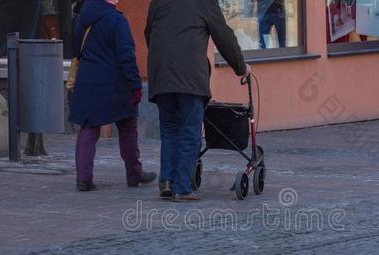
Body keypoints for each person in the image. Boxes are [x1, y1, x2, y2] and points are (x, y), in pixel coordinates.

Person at [146, 0, 250, 202]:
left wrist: (165, 59)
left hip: (162, 75)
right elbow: (224, 38)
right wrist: (241, 67)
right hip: (189, 76)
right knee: (190, 129)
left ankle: (167, 181)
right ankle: (182, 188)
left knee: (169, 129)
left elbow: (149, 33)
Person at [69, 0, 156, 191]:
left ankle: (83, 178)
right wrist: (136, 85)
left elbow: (76, 50)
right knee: (127, 125)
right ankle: (134, 173)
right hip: (115, 84)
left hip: (88, 81)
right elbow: (126, 56)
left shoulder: (81, 19)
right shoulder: (117, 21)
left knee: (89, 128)